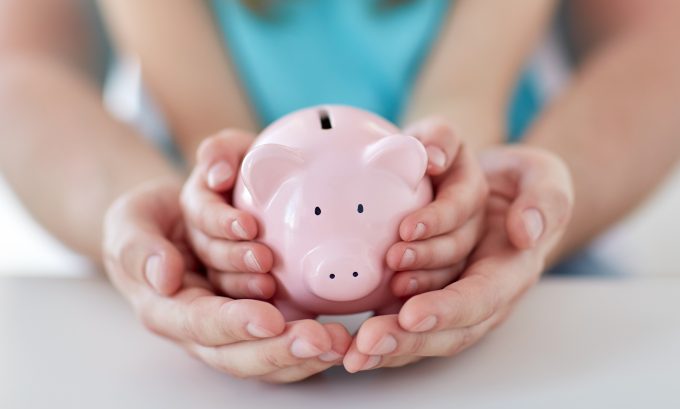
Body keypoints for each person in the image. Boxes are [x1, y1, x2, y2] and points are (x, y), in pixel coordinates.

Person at [0, 0, 678, 383]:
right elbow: (22, 66)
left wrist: (534, 202)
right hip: (193, 280)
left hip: (522, 268)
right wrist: (145, 209)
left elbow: (659, 47)